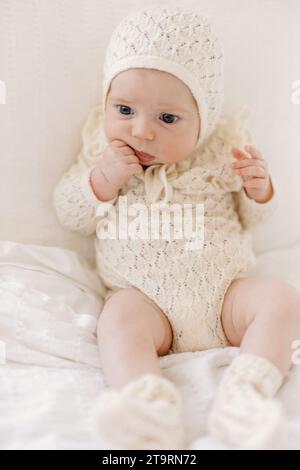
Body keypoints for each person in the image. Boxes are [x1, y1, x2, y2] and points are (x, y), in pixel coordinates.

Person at [53, 5, 300, 450]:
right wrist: (101, 181)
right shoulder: (101, 152)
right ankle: (146, 401)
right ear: (106, 100)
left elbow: (255, 219)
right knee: (118, 319)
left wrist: (258, 190)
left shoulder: (226, 150)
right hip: (149, 307)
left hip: (227, 299)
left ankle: (248, 390)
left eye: (167, 118)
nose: (141, 131)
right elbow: (70, 213)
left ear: (203, 119)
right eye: (124, 109)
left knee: (280, 298)